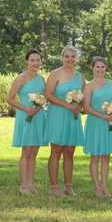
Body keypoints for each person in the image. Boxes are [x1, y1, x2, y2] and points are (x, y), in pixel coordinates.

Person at [44, 45, 86, 196]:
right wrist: (66, 105)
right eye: (67, 56)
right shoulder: (55, 74)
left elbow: (83, 95)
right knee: (56, 151)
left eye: (73, 56)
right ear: (62, 58)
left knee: (69, 152)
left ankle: (68, 186)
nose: (70, 59)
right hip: (58, 114)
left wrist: (79, 106)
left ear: (76, 58)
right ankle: (54, 187)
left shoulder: (80, 77)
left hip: (73, 116)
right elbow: (48, 95)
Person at [8, 48, 48, 195]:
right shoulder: (21, 78)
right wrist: (26, 109)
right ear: (26, 61)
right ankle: (23, 185)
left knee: (34, 151)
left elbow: (45, 97)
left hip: (38, 116)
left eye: (38, 60)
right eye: (32, 60)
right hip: (26, 116)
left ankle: (31, 184)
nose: (36, 63)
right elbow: (9, 98)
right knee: (26, 151)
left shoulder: (42, 79)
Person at [82, 56, 112, 197]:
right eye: (97, 67)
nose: (100, 70)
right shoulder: (89, 86)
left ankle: (104, 186)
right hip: (95, 122)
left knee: (106, 156)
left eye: (102, 67)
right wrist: (103, 116)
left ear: (106, 68)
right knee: (95, 156)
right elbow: (86, 108)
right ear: (93, 68)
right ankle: (96, 187)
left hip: (109, 123)